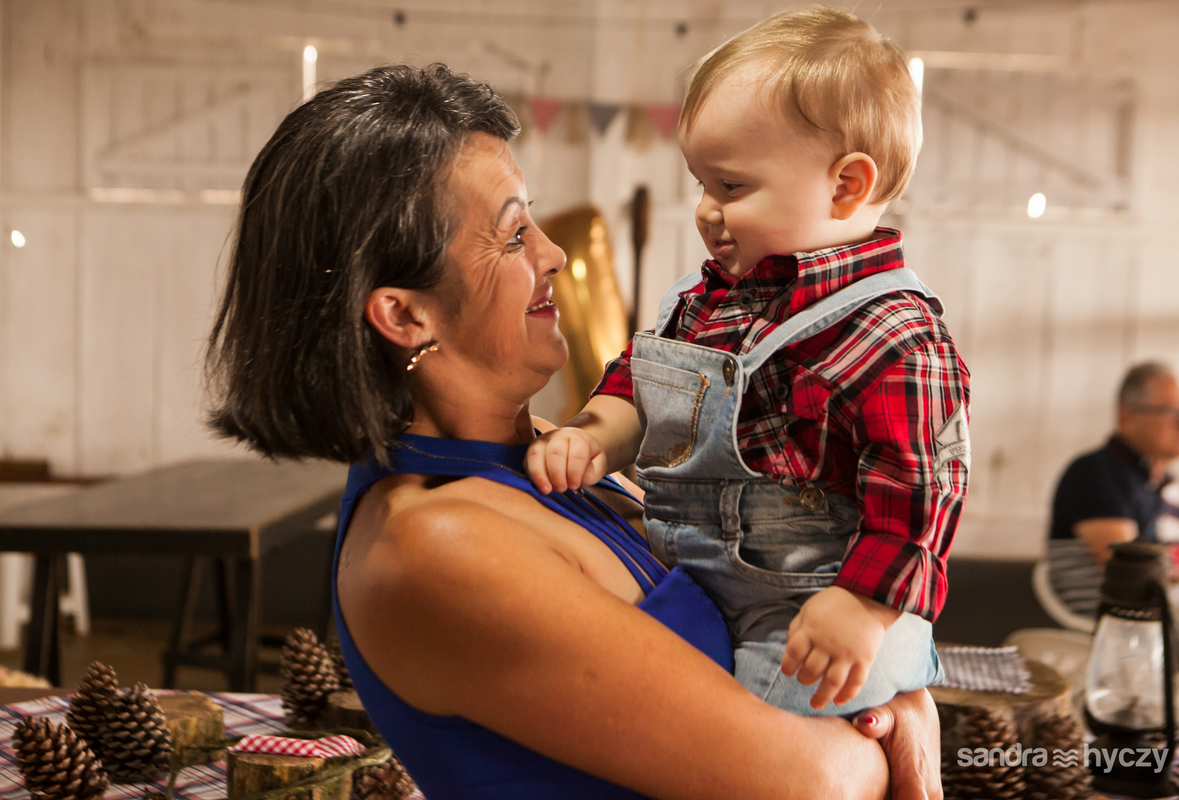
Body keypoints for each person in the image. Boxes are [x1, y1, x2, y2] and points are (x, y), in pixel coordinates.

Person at [204, 63, 943, 799]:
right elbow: (816, 786)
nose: (552, 254)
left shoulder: (547, 448)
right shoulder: (436, 546)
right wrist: (903, 712)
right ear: (404, 314)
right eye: (511, 235)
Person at [526, 6, 969, 716]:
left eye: (730, 187)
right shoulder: (709, 298)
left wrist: (861, 605)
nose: (706, 210)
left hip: (812, 613)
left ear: (846, 186)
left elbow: (921, 491)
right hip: (698, 574)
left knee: (749, 732)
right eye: (701, 184)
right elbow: (639, 383)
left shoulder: (895, 335)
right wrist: (592, 434)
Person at [1048, 362, 1179, 618]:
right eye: (1170, 411)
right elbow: (1132, 578)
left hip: (1166, 621)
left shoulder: (1167, 485)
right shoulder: (1095, 473)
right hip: (1112, 626)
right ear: (1127, 418)